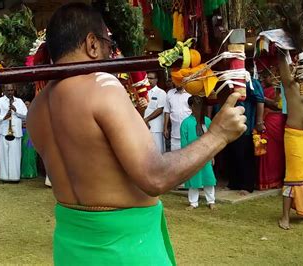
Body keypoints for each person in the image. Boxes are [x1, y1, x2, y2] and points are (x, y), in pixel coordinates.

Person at [27, 3, 246, 265]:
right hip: (124, 249)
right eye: (109, 44)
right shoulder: (102, 87)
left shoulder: (37, 108)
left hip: (70, 247)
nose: (112, 53)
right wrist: (217, 135)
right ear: (92, 44)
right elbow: (155, 177)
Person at [277, 53, 303, 230]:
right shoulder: (291, 86)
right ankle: (285, 217)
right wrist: (281, 50)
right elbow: (284, 70)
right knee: (294, 176)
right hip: (296, 135)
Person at [222, 76, 265, 194]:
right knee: (232, 154)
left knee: (245, 156)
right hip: (229, 126)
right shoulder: (228, 81)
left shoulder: (251, 82)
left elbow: (260, 100)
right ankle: (234, 183)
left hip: (245, 125)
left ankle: (247, 185)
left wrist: (259, 122)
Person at [181, 96, 216, 210]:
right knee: (193, 179)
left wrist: (212, 155)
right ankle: (193, 202)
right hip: (192, 155)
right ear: (191, 107)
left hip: (205, 154)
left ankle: (211, 201)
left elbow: (211, 139)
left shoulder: (207, 121)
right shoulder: (185, 123)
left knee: (208, 178)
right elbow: (184, 141)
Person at [0, 84, 28, 182]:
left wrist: (16, 110)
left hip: (16, 132)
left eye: (12, 90)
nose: (10, 92)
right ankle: (4, 177)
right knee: (4, 155)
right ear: (4, 90)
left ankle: (15, 177)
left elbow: (26, 115)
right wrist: (3, 117)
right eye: (8, 90)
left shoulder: (19, 102)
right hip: (4, 131)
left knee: (15, 155)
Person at [258, 72, 286, 190]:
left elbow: (278, 105)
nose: (274, 78)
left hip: (276, 121)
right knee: (267, 152)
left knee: (277, 153)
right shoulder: (264, 88)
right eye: (271, 76)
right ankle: (267, 180)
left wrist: (262, 98)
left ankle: (276, 179)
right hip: (269, 121)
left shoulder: (280, 89)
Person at [164, 82, 192, 151]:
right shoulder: (170, 93)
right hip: (175, 134)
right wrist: (165, 128)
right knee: (175, 158)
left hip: (189, 133)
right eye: (175, 80)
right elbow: (167, 111)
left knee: (189, 157)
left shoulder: (191, 92)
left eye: (179, 80)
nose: (177, 83)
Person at [144, 71, 167, 153]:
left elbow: (160, 109)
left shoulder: (161, 92)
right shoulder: (144, 92)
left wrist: (146, 119)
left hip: (156, 128)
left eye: (151, 78)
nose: (149, 80)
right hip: (144, 127)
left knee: (158, 152)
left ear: (156, 80)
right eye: (147, 78)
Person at [21, 100, 38, 179]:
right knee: (23, 153)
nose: (26, 105)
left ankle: (31, 172)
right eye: (24, 104)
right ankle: (23, 173)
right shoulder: (21, 113)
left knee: (30, 154)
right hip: (22, 133)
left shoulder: (34, 113)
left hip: (30, 134)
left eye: (27, 104)